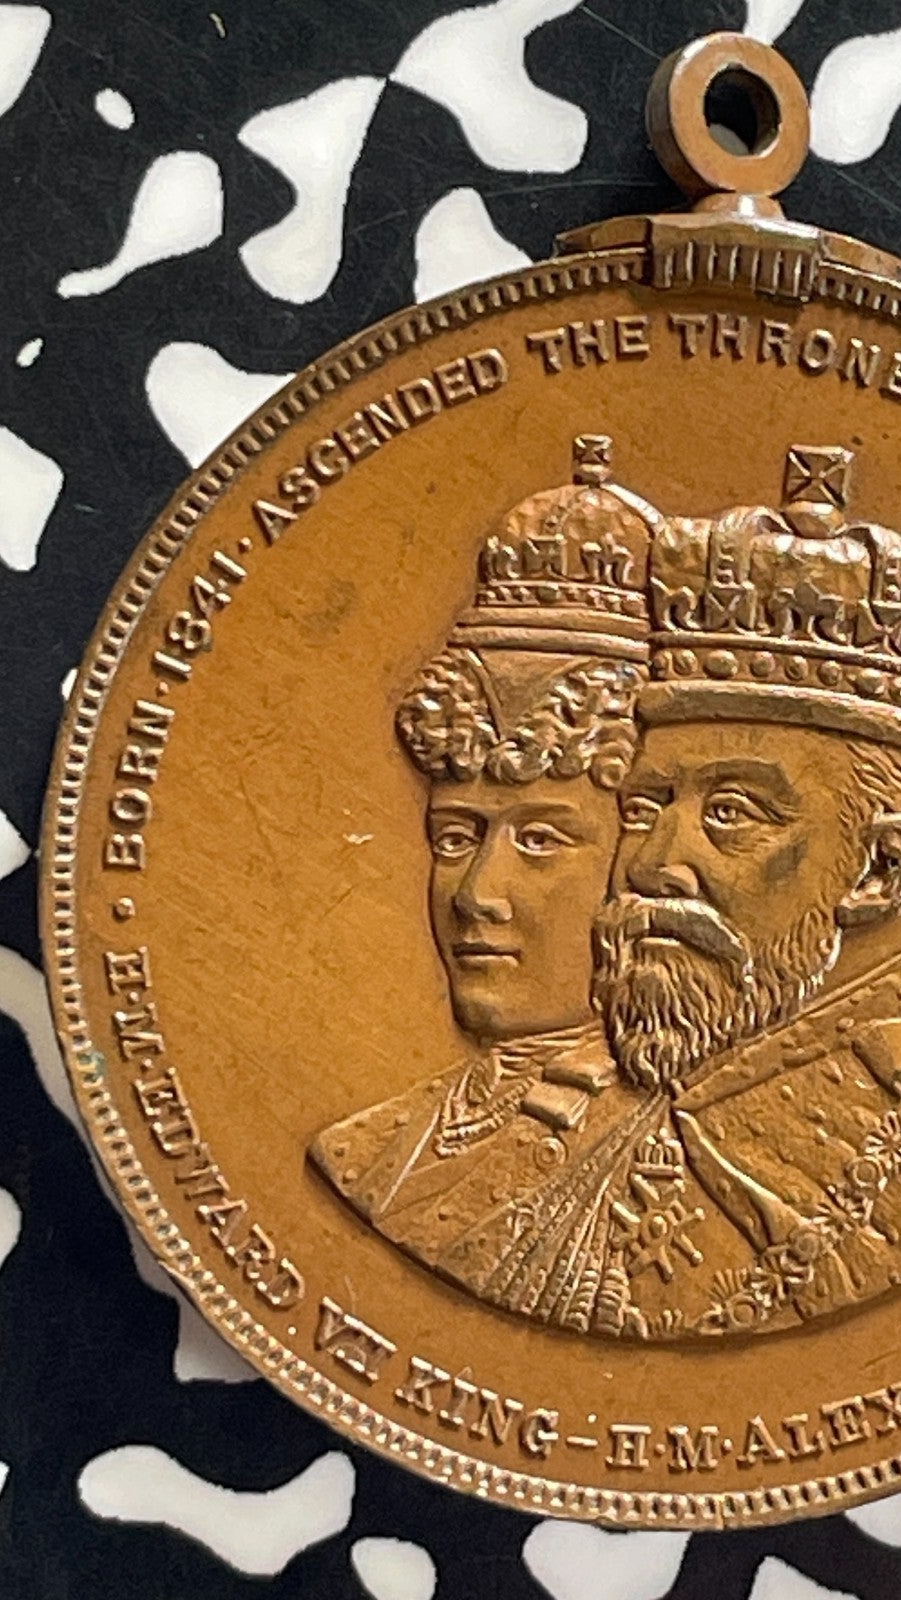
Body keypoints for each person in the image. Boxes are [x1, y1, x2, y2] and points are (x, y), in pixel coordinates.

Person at [439, 445, 901, 1340]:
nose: (651, 864)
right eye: (646, 809)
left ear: (878, 871)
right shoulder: (530, 1139)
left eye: (731, 814)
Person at [308, 438, 667, 1327]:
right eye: (456, 835)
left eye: (541, 839)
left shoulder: (687, 1160)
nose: (477, 893)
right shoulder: (367, 1148)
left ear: (645, 862)